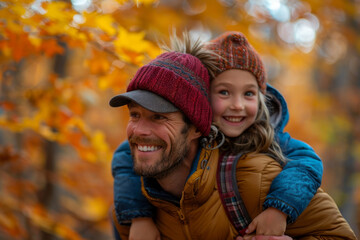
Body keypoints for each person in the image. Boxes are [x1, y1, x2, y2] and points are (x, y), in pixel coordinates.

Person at [109, 31, 356, 239]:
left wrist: (280, 208)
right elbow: (123, 156)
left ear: (196, 124)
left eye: (159, 117)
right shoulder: (134, 204)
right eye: (224, 92)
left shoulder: (260, 168)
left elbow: (308, 163)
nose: (237, 105)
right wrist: (137, 215)